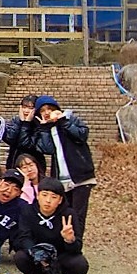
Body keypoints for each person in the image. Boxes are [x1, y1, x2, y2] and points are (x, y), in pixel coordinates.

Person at [31, 95, 96, 240]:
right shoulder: (48, 128)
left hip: (80, 176)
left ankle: (75, 245)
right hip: (61, 178)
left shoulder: (70, 119)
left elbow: (82, 135)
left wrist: (62, 121)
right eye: (42, 111)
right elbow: (47, 149)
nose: (46, 112)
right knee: (63, 213)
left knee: (78, 215)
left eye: (49, 109)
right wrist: (44, 128)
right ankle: (64, 244)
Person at [13, 177, 89, 274]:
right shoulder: (28, 211)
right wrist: (37, 253)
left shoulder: (69, 214)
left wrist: (69, 240)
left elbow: (77, 248)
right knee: (20, 257)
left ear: (60, 200)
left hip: (61, 255)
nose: (48, 200)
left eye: (54, 197)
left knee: (80, 264)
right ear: (38, 195)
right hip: (38, 254)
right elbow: (24, 237)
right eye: (44, 195)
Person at [3, 94, 45, 170]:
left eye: (30, 108)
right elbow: (10, 138)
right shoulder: (16, 120)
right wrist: (20, 123)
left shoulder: (39, 125)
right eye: (24, 107)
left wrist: (26, 124)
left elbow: (26, 145)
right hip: (14, 162)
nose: (26, 111)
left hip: (33, 164)